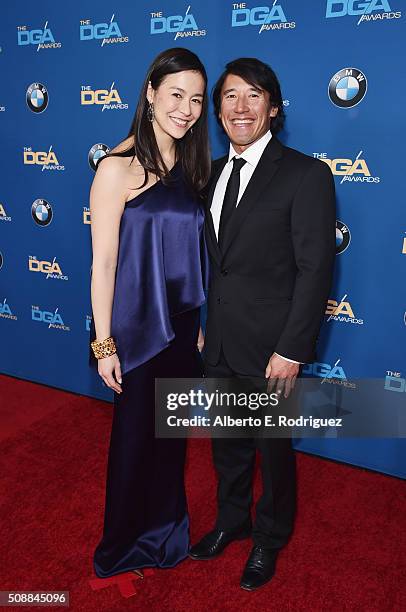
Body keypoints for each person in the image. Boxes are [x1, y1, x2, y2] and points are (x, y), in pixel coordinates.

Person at [189, 58, 336, 591]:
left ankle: (269, 538)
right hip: (221, 340)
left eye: (254, 97)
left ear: (273, 109)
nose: (241, 108)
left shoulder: (305, 174)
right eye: (230, 97)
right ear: (218, 111)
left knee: (272, 450)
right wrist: (200, 324)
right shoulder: (208, 173)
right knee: (226, 442)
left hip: (273, 345)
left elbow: (315, 267)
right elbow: (211, 261)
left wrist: (292, 349)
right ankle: (232, 520)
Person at [89, 47, 210, 578]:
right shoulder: (117, 169)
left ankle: (166, 535)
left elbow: (196, 254)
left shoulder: (195, 167)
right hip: (136, 330)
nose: (186, 109)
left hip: (182, 327)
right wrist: (103, 343)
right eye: (176, 94)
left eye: (196, 100)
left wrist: (200, 325)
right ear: (151, 92)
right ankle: (120, 546)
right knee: (134, 440)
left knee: (171, 438)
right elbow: (104, 265)